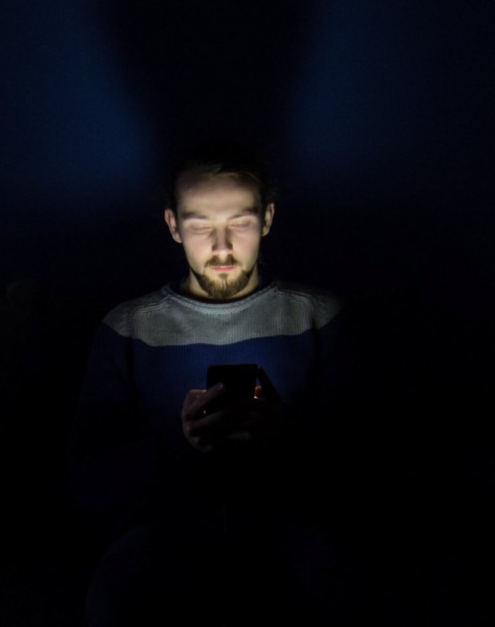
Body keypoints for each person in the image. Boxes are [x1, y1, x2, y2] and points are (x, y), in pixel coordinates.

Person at [68, 139, 372, 625]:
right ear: (173, 225)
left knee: (337, 580)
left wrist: (284, 434)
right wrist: (176, 442)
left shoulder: (317, 317)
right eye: (200, 226)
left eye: (241, 223)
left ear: (268, 219)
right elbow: (87, 477)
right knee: (115, 596)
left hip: (287, 518)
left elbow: (370, 464)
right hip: (162, 526)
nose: (223, 247)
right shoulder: (128, 327)